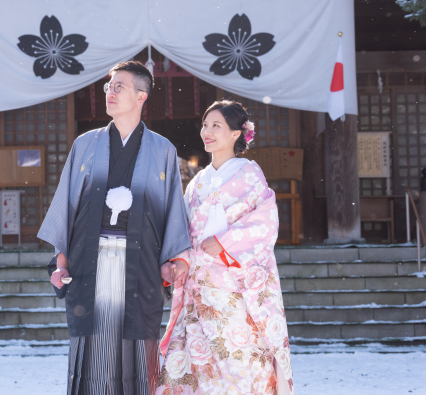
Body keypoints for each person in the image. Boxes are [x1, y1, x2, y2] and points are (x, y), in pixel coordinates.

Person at [38, 61, 192, 395]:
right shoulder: (85, 145)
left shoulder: (163, 150)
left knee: (137, 354)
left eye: (119, 86)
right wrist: (60, 261)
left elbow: (172, 213)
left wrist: (174, 260)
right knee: (92, 353)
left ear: (141, 96)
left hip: (141, 267)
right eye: (109, 85)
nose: (110, 91)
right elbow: (67, 206)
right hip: (89, 264)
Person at [157, 100, 295, 395]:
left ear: (237, 133)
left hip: (234, 292)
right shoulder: (196, 184)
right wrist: (179, 259)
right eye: (205, 125)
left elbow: (264, 224)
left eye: (216, 125)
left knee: (240, 368)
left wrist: (223, 243)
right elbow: (182, 230)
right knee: (196, 370)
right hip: (199, 292)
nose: (207, 131)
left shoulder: (249, 176)